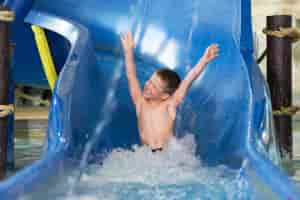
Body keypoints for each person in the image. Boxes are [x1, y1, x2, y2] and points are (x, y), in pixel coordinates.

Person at [121, 32, 219, 152]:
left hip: (167, 155)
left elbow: (188, 80)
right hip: (145, 156)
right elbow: (131, 76)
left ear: (164, 96)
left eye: (154, 86)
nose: (147, 85)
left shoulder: (169, 105)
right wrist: (128, 50)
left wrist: (204, 60)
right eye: (149, 81)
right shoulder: (140, 103)